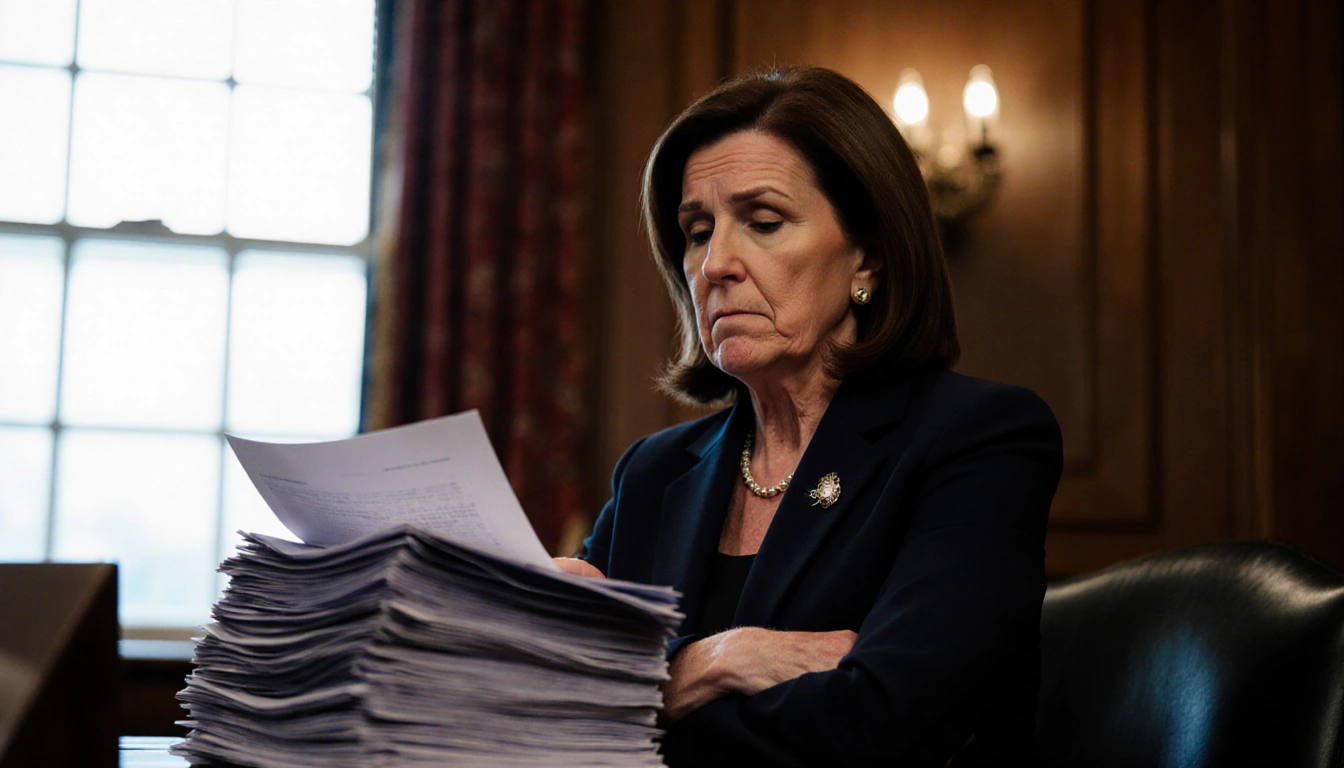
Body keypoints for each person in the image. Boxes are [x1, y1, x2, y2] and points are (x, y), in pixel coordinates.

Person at [555, 66, 1062, 767]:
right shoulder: (654, 472)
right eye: (697, 231)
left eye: (763, 222)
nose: (714, 265)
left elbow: (878, 725)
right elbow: (540, 716)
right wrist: (703, 666)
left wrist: (625, 697)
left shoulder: (979, 439)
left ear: (870, 257)